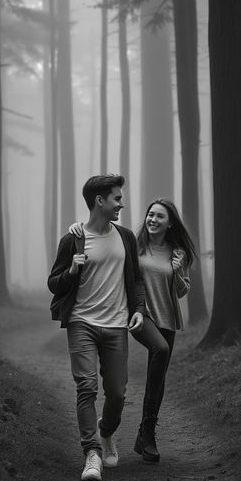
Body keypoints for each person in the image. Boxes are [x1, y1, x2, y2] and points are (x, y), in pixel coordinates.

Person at [69, 198, 196, 463]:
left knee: (159, 374)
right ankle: (146, 430)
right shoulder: (133, 245)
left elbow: (182, 291)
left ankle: (146, 437)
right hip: (139, 314)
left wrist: (177, 272)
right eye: (150, 215)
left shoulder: (177, 252)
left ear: (170, 223)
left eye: (160, 216)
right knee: (159, 349)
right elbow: (104, 241)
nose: (153, 220)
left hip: (167, 317)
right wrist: (77, 228)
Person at [48, 174, 145, 481]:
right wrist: (73, 270)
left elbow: (137, 279)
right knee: (86, 387)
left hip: (117, 325)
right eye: (117, 198)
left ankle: (105, 433)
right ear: (100, 201)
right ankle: (92, 452)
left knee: (116, 392)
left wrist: (139, 310)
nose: (122, 203)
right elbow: (54, 284)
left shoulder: (126, 237)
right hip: (82, 323)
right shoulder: (73, 239)